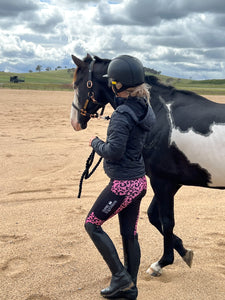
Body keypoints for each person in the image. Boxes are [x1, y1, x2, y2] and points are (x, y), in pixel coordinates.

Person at [85, 55, 156, 299]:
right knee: (130, 234)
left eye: (113, 82)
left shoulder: (122, 114)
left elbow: (113, 152)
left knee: (92, 224)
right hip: (139, 182)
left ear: (117, 85)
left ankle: (120, 277)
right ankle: (130, 287)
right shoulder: (144, 108)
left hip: (123, 185)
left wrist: (96, 143)